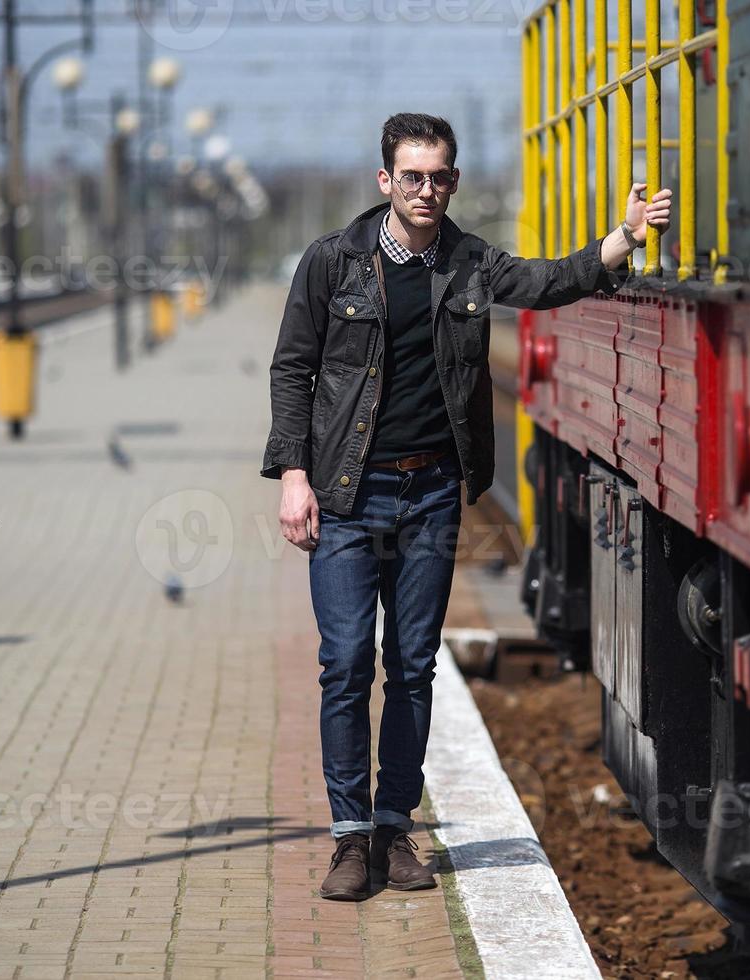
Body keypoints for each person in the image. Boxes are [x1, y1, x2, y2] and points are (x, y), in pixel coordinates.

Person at [260, 112, 672, 901]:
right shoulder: (332, 263)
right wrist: (294, 476)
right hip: (348, 496)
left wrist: (620, 239)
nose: (426, 190)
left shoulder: (471, 263)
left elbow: (548, 282)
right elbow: (293, 370)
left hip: (429, 496)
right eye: (411, 176)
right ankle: (350, 841)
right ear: (385, 182)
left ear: (454, 181)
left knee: (413, 667)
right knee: (345, 663)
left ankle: (394, 827)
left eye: (439, 176)